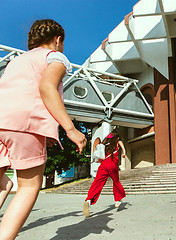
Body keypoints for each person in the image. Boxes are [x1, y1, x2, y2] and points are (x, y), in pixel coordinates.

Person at [0, 19, 87, 239]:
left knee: (2, 182)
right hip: (24, 122)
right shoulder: (55, 57)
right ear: (58, 40)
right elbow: (47, 88)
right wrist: (70, 129)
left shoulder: (16, 61)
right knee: (29, 186)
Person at [83, 132, 126, 218]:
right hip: (112, 164)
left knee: (97, 183)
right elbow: (120, 142)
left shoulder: (104, 144)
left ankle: (88, 200)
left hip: (103, 165)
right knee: (116, 181)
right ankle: (117, 200)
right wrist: (124, 151)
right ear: (117, 138)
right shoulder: (116, 143)